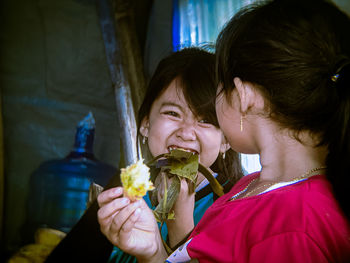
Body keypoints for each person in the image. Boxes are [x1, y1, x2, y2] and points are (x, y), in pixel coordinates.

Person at [98, 0, 350, 262]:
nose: (187, 132)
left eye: (218, 89)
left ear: (243, 95)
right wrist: (154, 252)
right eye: (173, 113)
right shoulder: (251, 187)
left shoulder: (293, 229)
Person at [105, 47, 244, 263]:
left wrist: (180, 227)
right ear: (145, 124)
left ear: (225, 140)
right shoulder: (120, 193)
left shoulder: (236, 208)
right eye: (172, 113)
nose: (186, 133)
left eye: (206, 120)